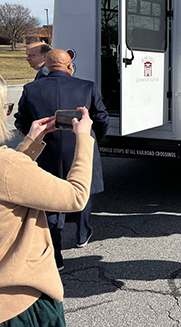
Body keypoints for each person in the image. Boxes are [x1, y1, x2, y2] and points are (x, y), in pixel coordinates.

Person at [0, 75, 95, 326]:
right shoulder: (7, 166)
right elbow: (76, 196)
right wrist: (84, 138)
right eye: (6, 108)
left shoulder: (9, 167)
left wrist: (30, 144)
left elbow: (9, 186)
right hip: (18, 304)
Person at [14, 50, 109, 271]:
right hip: (79, 145)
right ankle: (82, 235)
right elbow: (101, 117)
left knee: (48, 201)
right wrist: (94, 139)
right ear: (70, 66)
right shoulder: (87, 86)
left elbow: (22, 120)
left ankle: (55, 256)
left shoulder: (31, 89)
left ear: (46, 66)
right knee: (82, 188)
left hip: (46, 151)